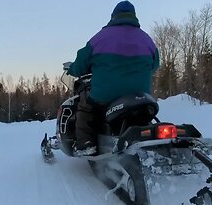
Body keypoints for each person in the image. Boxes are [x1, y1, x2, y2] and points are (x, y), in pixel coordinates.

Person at [67, 1, 160, 156]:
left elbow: (80, 64)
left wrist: (72, 69)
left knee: (85, 105)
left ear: (113, 16)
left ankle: (85, 145)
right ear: (134, 17)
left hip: (106, 95)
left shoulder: (100, 38)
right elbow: (155, 65)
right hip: (141, 96)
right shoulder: (147, 40)